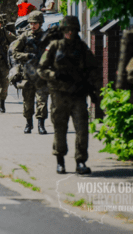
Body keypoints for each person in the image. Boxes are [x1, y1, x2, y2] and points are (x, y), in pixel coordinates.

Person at [37, 16, 102, 175]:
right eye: (67, 30)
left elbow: (93, 70)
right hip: (59, 95)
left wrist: (96, 91)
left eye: (73, 30)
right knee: (60, 129)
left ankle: (81, 161)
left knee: (82, 130)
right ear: (63, 30)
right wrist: (54, 75)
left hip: (78, 95)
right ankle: (60, 161)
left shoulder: (81, 48)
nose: (70, 33)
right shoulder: (54, 46)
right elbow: (41, 69)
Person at [11, 11, 49, 134]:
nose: (33, 26)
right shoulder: (24, 37)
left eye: (35, 23)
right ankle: (29, 124)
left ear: (40, 23)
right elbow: (14, 53)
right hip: (27, 74)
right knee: (27, 102)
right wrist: (27, 56)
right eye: (31, 23)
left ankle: (41, 125)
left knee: (42, 101)